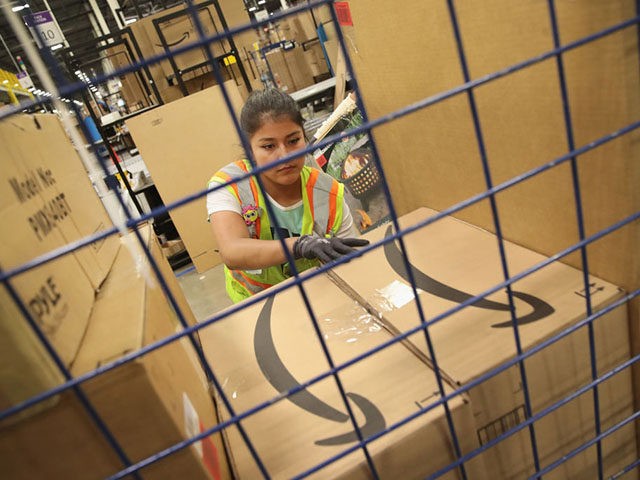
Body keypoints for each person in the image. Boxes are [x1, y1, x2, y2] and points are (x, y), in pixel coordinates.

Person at [207, 88, 369, 303]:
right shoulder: (229, 185)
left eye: (293, 141)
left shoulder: (328, 192)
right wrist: (300, 245)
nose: (284, 155)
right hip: (256, 302)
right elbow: (232, 251)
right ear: (249, 149)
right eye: (268, 146)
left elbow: (352, 259)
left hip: (316, 295)